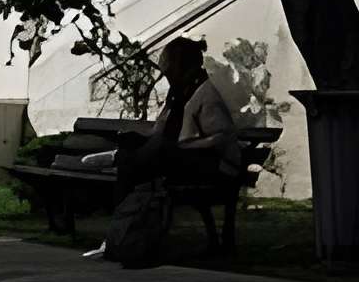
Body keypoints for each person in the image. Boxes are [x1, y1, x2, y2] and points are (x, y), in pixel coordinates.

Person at [85, 38, 242, 257]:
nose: (167, 76)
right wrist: (139, 139)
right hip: (183, 159)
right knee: (136, 161)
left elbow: (221, 138)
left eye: (169, 71)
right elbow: (161, 130)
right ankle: (120, 235)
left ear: (184, 68)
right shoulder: (178, 94)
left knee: (143, 160)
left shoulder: (205, 95)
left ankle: (119, 237)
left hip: (215, 165)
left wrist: (185, 146)